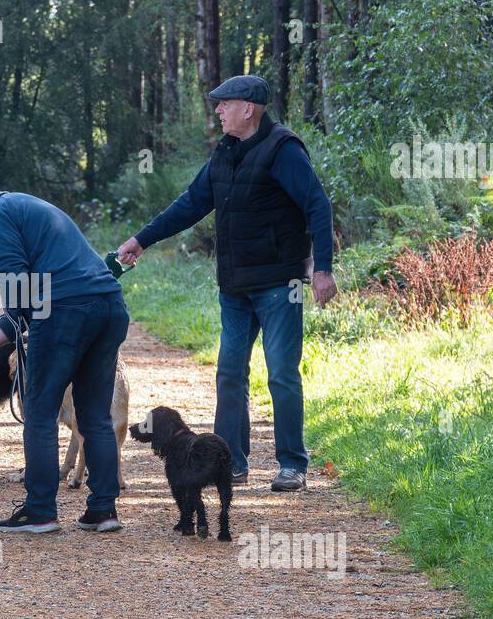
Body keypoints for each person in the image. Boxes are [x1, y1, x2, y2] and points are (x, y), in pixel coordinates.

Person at [116, 74, 337, 492]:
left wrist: (321, 269)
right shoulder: (225, 152)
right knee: (229, 372)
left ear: (248, 108)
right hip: (234, 287)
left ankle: (293, 463)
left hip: (278, 284)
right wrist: (141, 240)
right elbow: (191, 203)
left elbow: (317, 205)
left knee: (281, 374)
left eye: (224, 103)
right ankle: (229, 461)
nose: (217, 110)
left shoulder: (283, 149)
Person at [0, 192, 128, 534]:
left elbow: (20, 300)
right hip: (109, 307)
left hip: (64, 311)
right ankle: (104, 509)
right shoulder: (24, 207)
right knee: (94, 415)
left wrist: (13, 330)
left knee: (40, 413)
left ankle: (40, 510)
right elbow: (26, 306)